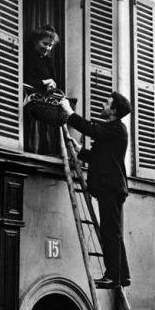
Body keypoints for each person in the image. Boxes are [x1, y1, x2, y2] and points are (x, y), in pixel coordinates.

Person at [60, 92, 132, 288]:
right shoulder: (112, 130)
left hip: (111, 187)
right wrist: (80, 150)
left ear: (114, 110)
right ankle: (122, 275)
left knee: (110, 232)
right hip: (110, 187)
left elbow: (91, 129)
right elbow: (99, 157)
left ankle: (113, 276)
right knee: (113, 232)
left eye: (107, 103)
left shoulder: (116, 128)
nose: (103, 104)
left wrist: (69, 113)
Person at [23, 24, 60, 154]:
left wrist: (51, 84)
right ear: (35, 41)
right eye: (45, 44)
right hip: (27, 101)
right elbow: (24, 77)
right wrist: (44, 82)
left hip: (42, 103)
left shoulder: (47, 60)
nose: (48, 48)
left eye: (50, 45)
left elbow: (53, 77)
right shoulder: (27, 55)